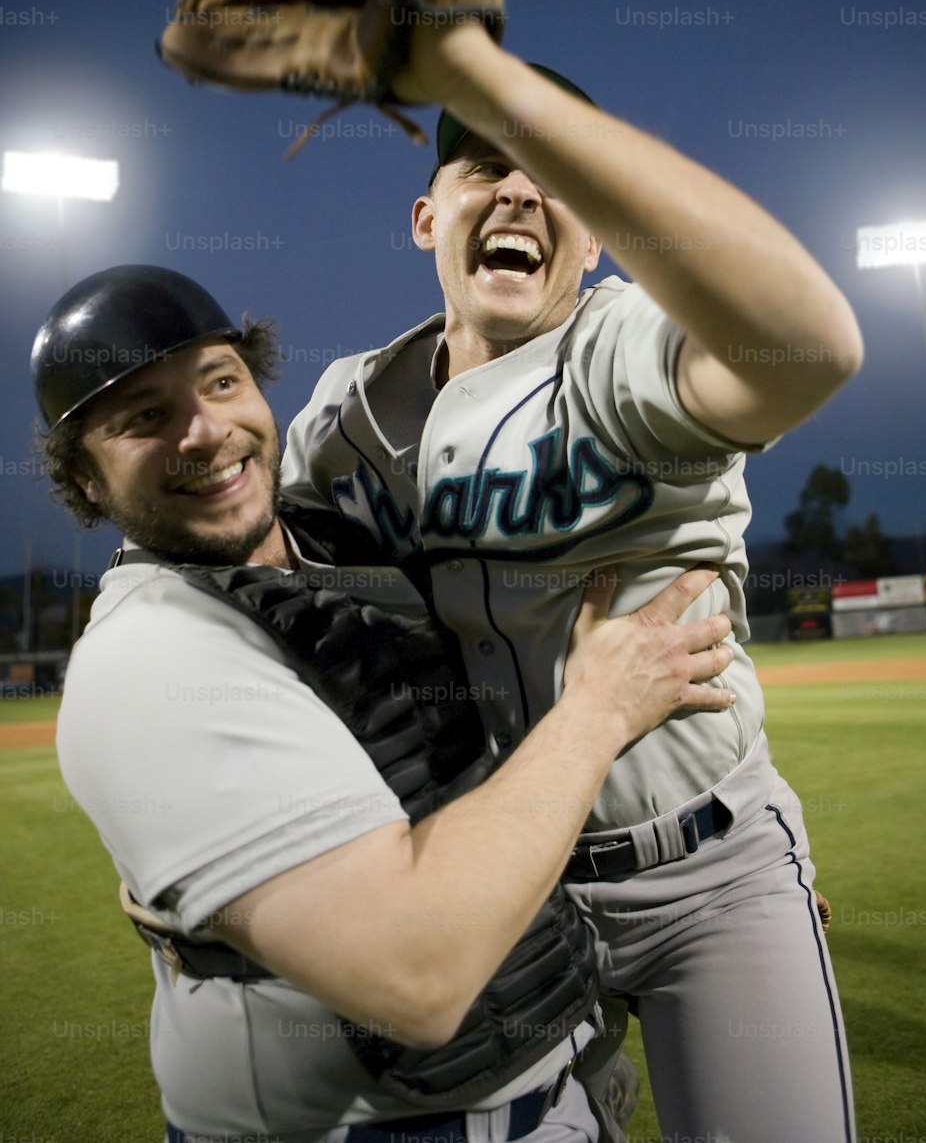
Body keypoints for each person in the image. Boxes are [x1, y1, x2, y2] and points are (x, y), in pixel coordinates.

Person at [283, 24, 865, 1143]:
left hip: (711, 875)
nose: (517, 191)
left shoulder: (621, 353)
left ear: (594, 239)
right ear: (423, 221)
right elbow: (248, 590)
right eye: (481, 167)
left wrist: (479, 77)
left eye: (549, 177)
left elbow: (810, 349)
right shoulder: (347, 419)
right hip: (505, 889)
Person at [35, 263, 737, 1143]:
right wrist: (600, 708)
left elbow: (474, 777)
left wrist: (733, 876)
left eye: (221, 382)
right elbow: (418, 975)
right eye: (145, 417)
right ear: (88, 482)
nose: (205, 432)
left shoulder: (336, 540)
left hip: (548, 1082)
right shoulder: (147, 659)